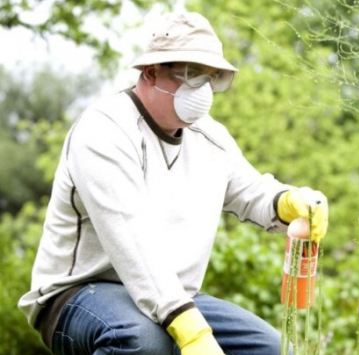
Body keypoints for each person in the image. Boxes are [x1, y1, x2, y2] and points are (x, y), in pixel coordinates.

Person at [18, 11, 328, 355]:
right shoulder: (104, 131)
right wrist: (191, 332)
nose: (204, 90)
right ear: (151, 72)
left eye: (212, 77)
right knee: (143, 342)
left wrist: (288, 202)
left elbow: (251, 192)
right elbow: (131, 241)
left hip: (173, 296)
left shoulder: (211, 138)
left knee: (271, 349)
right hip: (78, 294)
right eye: (192, 74)